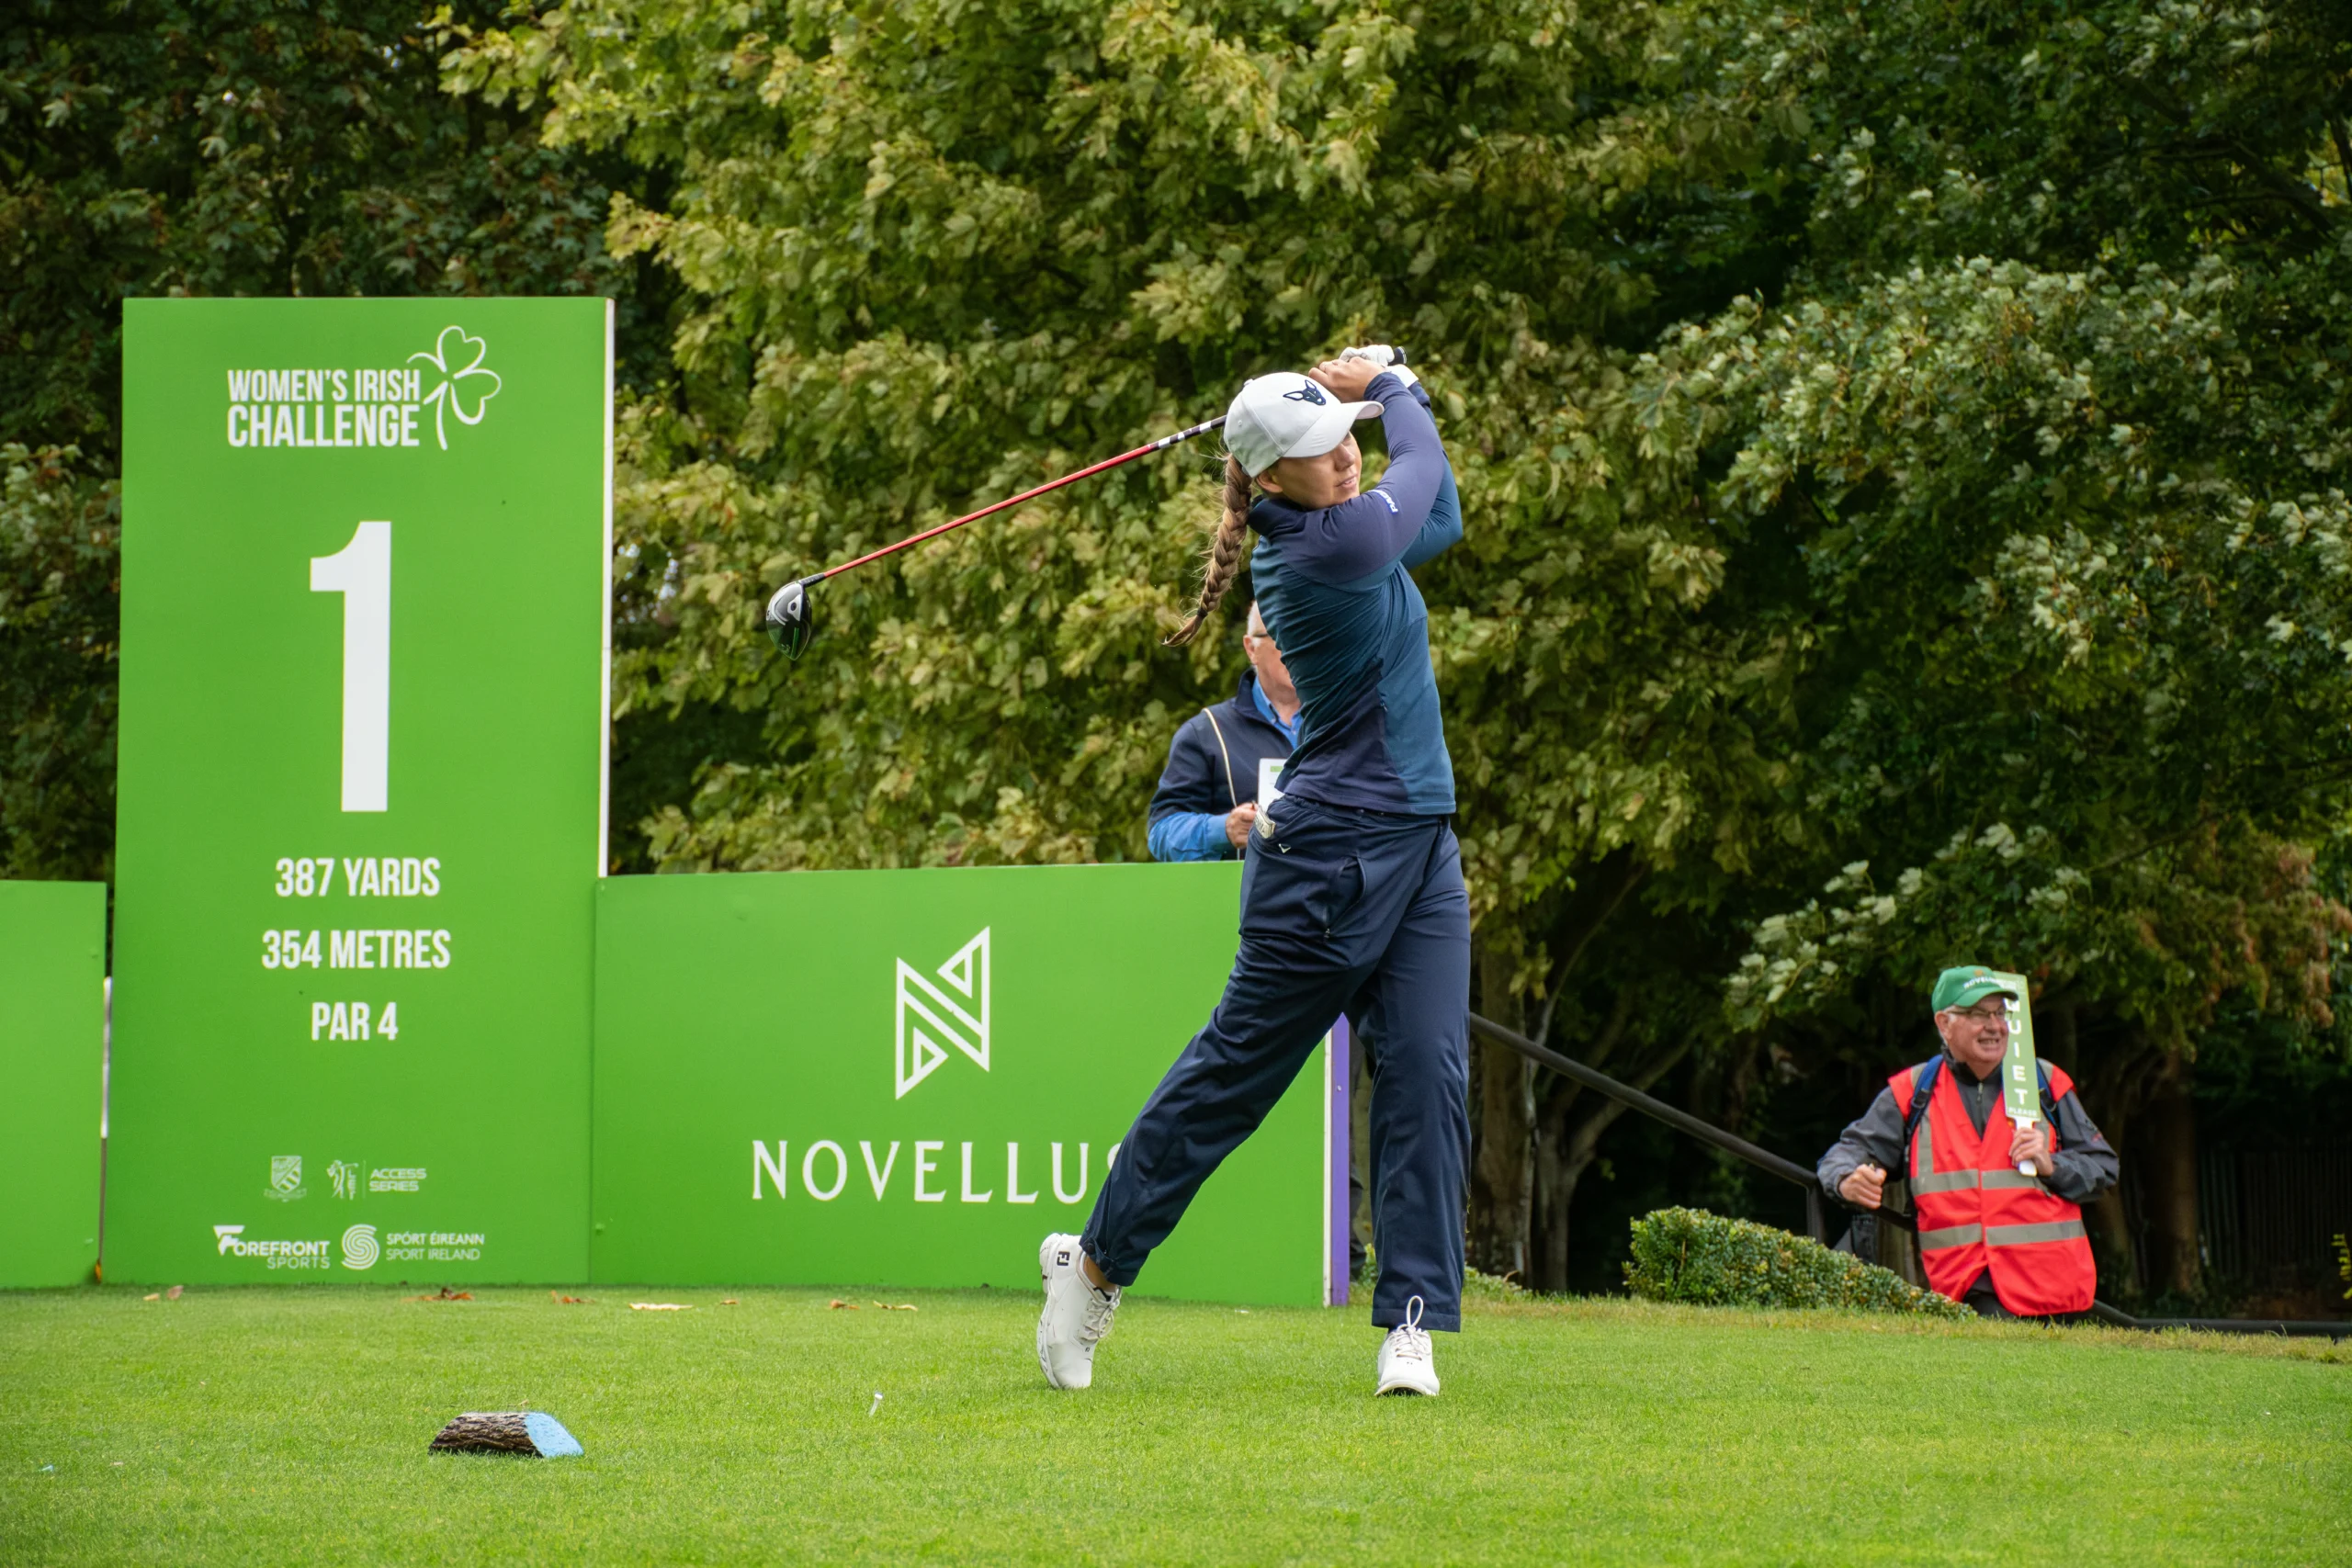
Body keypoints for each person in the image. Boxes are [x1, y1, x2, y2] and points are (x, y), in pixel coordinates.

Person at [1037, 347, 1467, 1395]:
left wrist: (1372, 402)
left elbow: (1438, 508)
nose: (1346, 463)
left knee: (1426, 1074)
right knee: (1232, 1080)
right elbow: (1413, 466)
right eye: (1323, 455)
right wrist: (1393, 385)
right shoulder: (1321, 555)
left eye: (1345, 444)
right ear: (1272, 482)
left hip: (1419, 845)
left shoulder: (1354, 526)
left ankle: (1409, 1320)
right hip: (1322, 860)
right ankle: (1091, 1269)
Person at [1818, 964, 2118, 1319]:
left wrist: (2054, 1165)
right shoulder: (1912, 1092)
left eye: (2000, 1013)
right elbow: (1847, 1153)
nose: (1995, 1025)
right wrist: (1845, 1179)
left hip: (2057, 1296)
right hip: (1965, 1295)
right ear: (1944, 1024)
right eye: (1978, 1014)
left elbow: (2104, 1168)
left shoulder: (2046, 1082)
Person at [1145, 602, 1300, 862]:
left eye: (1307, 634)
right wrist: (1223, 830)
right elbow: (1161, 832)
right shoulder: (1206, 733)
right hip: (1243, 899)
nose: (1298, 648)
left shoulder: (1345, 724)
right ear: (1252, 648)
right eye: (1283, 635)